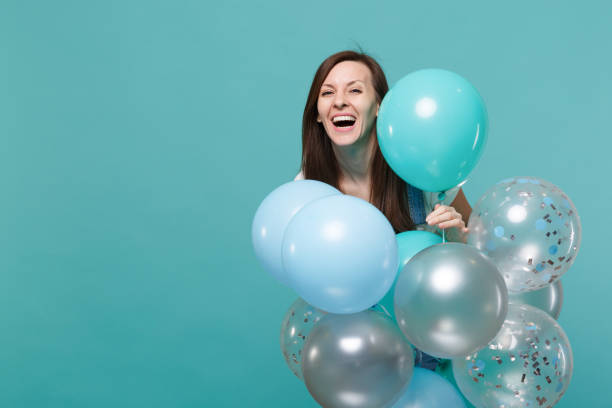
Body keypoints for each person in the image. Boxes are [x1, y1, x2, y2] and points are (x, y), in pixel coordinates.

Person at [294, 50, 472, 241]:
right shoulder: (306, 188)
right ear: (317, 114)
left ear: (379, 105)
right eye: (328, 92)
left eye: (354, 90)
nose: (339, 102)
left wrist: (456, 237)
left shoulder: (423, 171)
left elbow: (479, 248)